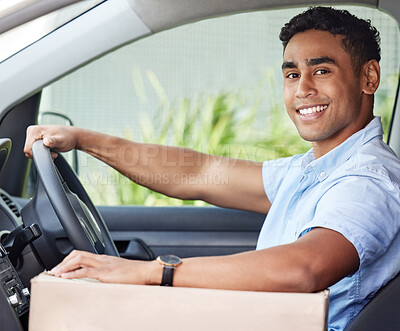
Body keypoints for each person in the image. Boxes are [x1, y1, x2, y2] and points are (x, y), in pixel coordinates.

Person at [23, 6, 400, 330]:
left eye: (321, 71)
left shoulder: (368, 180)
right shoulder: (318, 169)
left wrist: (154, 272)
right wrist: (82, 140)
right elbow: (197, 173)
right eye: (291, 74)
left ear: (369, 78)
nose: (302, 88)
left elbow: (306, 268)